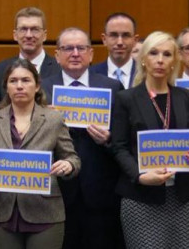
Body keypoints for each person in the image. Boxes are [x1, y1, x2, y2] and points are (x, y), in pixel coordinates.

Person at [110, 31, 189, 249]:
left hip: (182, 196)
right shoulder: (126, 98)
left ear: (174, 61)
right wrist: (140, 176)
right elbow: (119, 147)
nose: (160, 60)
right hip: (141, 197)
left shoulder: (185, 97)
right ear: (143, 58)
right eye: (154, 53)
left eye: (167, 54)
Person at [0, 58, 80, 249]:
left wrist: (68, 165)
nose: (19, 86)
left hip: (45, 213)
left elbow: (72, 158)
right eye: (13, 81)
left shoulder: (53, 119)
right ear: (6, 87)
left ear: (37, 85)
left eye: (25, 80)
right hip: (4, 212)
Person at [39, 28, 124, 249]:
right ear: (57, 55)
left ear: (91, 53)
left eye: (81, 48)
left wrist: (107, 139)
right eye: (68, 48)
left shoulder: (112, 87)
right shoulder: (42, 89)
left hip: (100, 192)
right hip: (56, 191)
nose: (75, 53)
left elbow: (123, 140)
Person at [0, 7, 62, 100]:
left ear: (44, 35)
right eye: (23, 29)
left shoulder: (59, 68)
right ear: (15, 35)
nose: (28, 35)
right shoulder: (1, 69)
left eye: (35, 29)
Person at [91, 13, 139, 89]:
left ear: (135, 40)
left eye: (126, 35)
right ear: (104, 39)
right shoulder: (90, 74)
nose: (120, 42)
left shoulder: (146, 74)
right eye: (114, 35)